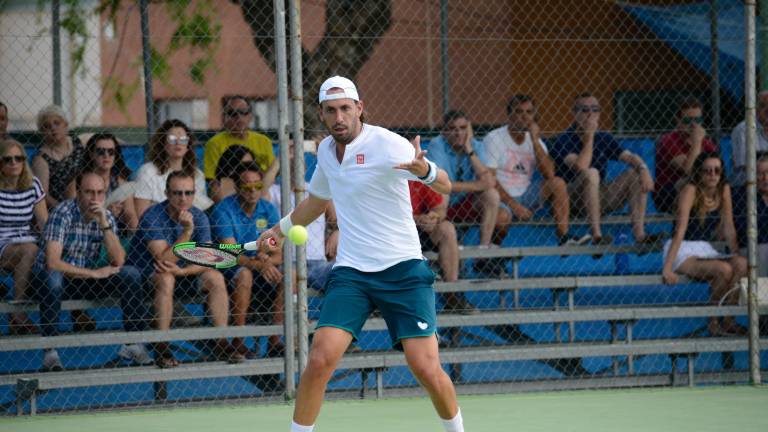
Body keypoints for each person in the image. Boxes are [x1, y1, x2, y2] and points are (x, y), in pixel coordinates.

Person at [257, 76, 463, 432]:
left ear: (359, 109)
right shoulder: (324, 152)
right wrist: (278, 231)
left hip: (403, 270)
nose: (339, 117)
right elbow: (317, 202)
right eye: (331, 110)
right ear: (322, 114)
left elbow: (444, 184)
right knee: (320, 359)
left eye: (345, 109)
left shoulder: (388, 144)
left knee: (425, 367)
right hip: (353, 272)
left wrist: (424, 170)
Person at [35, 172, 149, 371]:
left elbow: (119, 260)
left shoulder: (105, 216)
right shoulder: (63, 213)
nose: (95, 198)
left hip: (86, 279)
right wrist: (94, 274)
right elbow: (52, 263)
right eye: (89, 192)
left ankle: (134, 343)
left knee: (130, 274)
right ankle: (50, 351)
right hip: (57, 279)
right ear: (78, 193)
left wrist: (104, 224)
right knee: (53, 279)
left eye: (100, 193)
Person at [129, 170, 242, 367]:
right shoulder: (152, 216)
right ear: (167, 193)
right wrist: (187, 232)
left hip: (182, 273)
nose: (183, 198)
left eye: (188, 193)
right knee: (166, 277)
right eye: (177, 193)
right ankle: (162, 345)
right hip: (149, 276)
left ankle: (222, 341)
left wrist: (184, 271)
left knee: (215, 277)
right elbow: (164, 258)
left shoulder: (199, 216)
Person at [551, 93, 661, 246]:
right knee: (591, 172)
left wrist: (643, 169)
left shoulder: (604, 137)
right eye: (584, 110)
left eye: (595, 110)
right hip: (574, 198)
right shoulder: (563, 139)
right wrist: (589, 137)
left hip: (599, 196)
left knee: (634, 174)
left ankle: (639, 235)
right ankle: (597, 236)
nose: (590, 114)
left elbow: (629, 157)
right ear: (574, 113)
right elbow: (580, 166)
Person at [662, 152, 747, 337]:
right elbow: (680, 230)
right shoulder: (690, 190)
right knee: (723, 270)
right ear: (699, 173)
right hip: (683, 248)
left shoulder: (723, 189)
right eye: (707, 171)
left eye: (717, 170)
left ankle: (729, 319)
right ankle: (713, 321)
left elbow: (729, 226)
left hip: (704, 247)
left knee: (741, 264)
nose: (712, 175)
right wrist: (667, 268)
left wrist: (735, 255)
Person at [484, 94, 586, 246]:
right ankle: (492, 252)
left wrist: (535, 141)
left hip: (526, 195)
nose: (524, 117)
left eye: (529, 112)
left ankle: (564, 237)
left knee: (557, 183)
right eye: (519, 112)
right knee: (501, 217)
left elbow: (549, 174)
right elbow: (489, 180)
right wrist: (515, 206)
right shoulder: (494, 138)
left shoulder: (536, 140)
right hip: (500, 197)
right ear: (509, 115)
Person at [210, 162, 283, 358]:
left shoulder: (268, 209)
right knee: (244, 275)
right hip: (230, 267)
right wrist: (260, 263)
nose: (253, 191)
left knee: (291, 275)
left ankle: (275, 342)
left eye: (258, 186)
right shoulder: (223, 210)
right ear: (237, 188)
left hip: (259, 266)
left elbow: (279, 253)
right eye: (247, 187)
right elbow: (231, 252)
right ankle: (238, 341)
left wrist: (266, 261)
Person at [427, 110, 499, 250]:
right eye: (453, 129)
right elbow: (439, 183)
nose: (459, 133)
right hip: (440, 203)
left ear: (469, 129)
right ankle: (442, 243)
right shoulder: (437, 145)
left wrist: (469, 149)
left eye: (463, 128)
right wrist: (477, 186)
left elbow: (489, 182)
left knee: (492, 195)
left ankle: (483, 249)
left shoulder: (475, 145)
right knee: (443, 192)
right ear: (444, 132)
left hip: (465, 202)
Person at [0, 139, 47, 335]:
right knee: (30, 250)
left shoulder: (33, 184)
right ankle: (18, 313)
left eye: (18, 158)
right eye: (7, 159)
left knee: (35, 250)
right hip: (2, 242)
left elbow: (44, 221)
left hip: (27, 240)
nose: (14, 163)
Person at [409, 180, 476, 314]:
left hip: (420, 229)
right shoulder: (384, 176)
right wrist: (417, 219)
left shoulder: (418, 174)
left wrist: (433, 217)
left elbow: (439, 208)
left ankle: (452, 295)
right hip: (394, 232)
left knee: (447, 228)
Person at [133, 119, 212, 218]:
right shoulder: (147, 172)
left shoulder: (198, 175)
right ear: (163, 143)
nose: (178, 143)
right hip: (157, 228)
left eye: (183, 139)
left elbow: (199, 212)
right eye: (172, 139)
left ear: (188, 145)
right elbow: (142, 215)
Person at [654, 97, 717, 214]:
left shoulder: (707, 143)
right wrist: (697, 141)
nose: (693, 125)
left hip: (701, 190)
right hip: (668, 193)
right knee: (689, 181)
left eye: (697, 120)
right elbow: (688, 170)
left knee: (719, 182)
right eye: (688, 121)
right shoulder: (668, 140)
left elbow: (717, 169)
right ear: (677, 121)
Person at [203, 95, 278, 194]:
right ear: (224, 117)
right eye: (232, 113)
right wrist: (225, 207)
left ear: (250, 116)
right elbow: (213, 183)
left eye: (244, 112)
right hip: (229, 195)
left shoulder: (264, 141)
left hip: (259, 192)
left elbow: (271, 176)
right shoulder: (214, 144)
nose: (239, 117)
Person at [71, 133, 138, 231]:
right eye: (100, 151)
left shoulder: (121, 183)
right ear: (91, 154)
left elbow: (130, 214)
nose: (106, 155)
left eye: (111, 152)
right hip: (83, 232)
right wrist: (106, 212)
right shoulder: (78, 181)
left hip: (113, 234)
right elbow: (72, 213)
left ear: (116, 155)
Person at [31, 105, 85, 209]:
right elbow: (43, 195)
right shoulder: (41, 159)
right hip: (60, 207)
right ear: (42, 132)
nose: (53, 128)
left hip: (86, 198)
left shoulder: (77, 142)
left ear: (65, 124)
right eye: (47, 126)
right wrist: (65, 210)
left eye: (57, 123)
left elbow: (102, 139)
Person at [733, 153, 768, 276]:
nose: (766, 178)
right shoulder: (741, 196)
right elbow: (745, 229)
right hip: (753, 248)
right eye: (760, 173)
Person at [730, 90, 768, 187]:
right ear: (755, 108)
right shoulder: (743, 130)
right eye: (763, 105)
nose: (767, 109)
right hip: (747, 187)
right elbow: (746, 168)